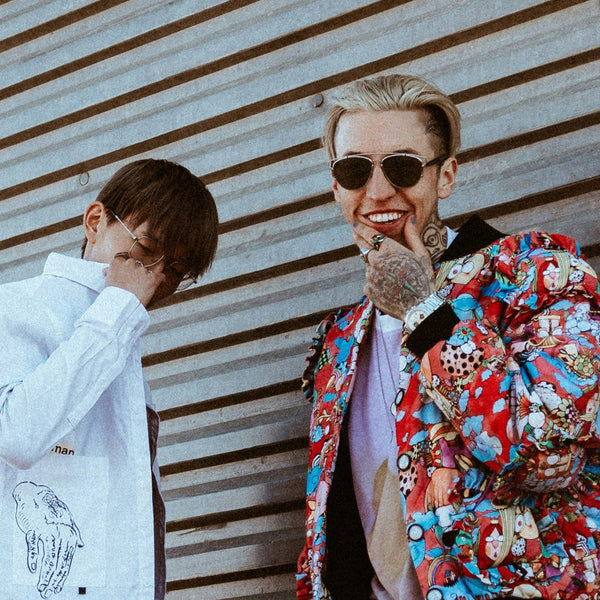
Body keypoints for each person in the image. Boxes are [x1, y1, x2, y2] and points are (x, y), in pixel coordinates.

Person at [296, 74, 600, 600]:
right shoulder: (341, 342)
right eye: (353, 171)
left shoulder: (538, 276)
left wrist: (424, 312)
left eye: (403, 166)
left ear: (446, 176)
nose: (378, 191)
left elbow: (545, 452)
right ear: (335, 187)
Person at [0, 158, 218, 599]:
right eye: (145, 247)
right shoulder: (16, 308)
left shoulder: (120, 347)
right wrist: (117, 308)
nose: (156, 278)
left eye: (176, 270)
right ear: (95, 221)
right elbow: (16, 434)